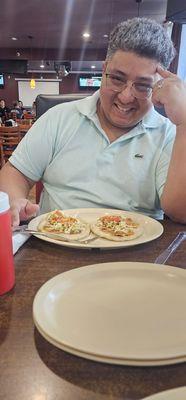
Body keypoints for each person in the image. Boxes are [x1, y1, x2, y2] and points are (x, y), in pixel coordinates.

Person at [0, 17, 186, 227]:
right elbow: (17, 174)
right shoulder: (58, 118)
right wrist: (13, 202)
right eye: (117, 78)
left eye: (143, 86)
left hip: (136, 254)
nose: (126, 97)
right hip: (56, 247)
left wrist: (185, 123)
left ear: (160, 86)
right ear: (104, 69)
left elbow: (180, 212)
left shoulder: (170, 135)